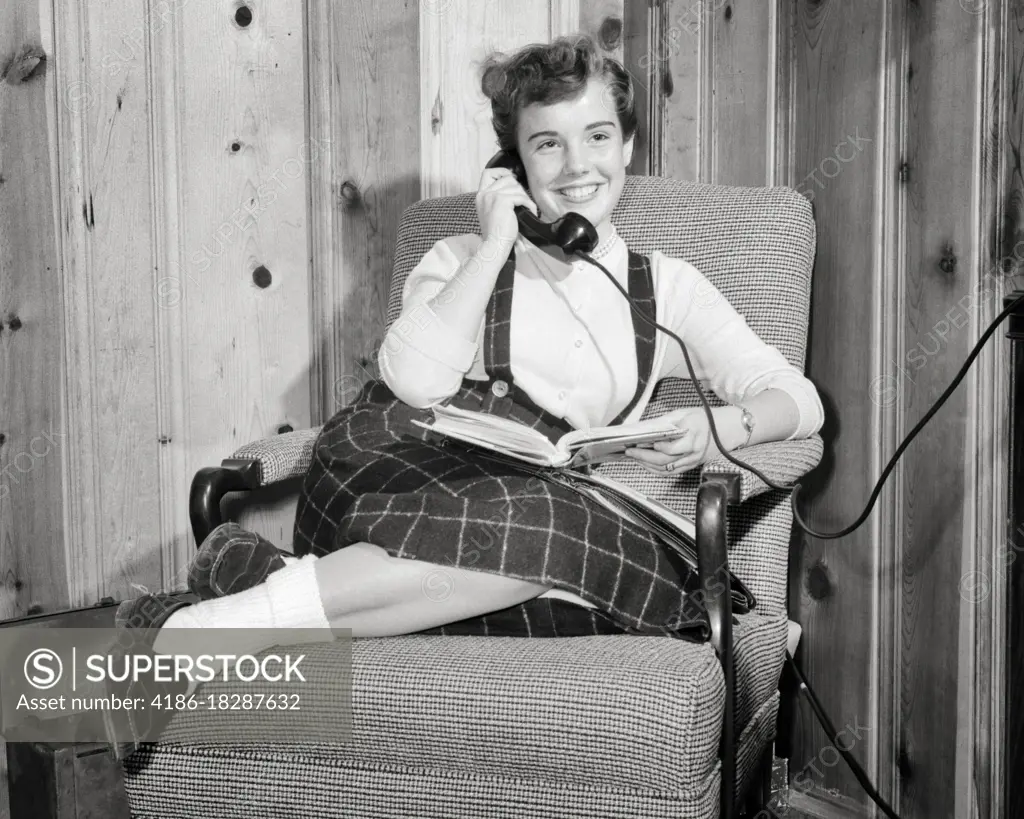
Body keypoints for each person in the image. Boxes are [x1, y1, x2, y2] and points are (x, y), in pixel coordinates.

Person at [110, 34, 823, 742]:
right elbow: (413, 381)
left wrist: (720, 428)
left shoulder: (668, 287)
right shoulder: (455, 256)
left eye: (598, 136)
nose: (578, 166)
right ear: (514, 163)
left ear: (628, 146)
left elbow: (800, 400)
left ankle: (208, 626)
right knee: (555, 537)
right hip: (397, 476)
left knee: (566, 560)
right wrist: (493, 245)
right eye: (548, 144)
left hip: (537, 514)